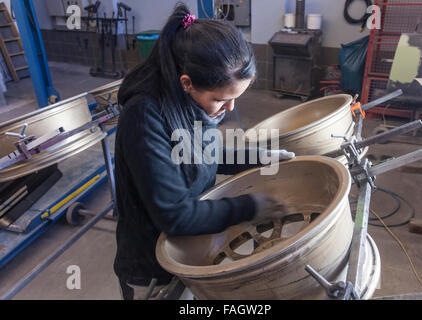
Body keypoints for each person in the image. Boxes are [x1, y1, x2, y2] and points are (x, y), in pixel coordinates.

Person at [113, 3, 295, 300]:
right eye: (221, 99)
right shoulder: (145, 117)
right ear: (187, 83)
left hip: (189, 250)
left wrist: (260, 158)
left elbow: (203, 152)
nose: (230, 108)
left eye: (236, 98)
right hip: (153, 267)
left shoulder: (190, 100)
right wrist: (250, 207)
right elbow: (176, 216)